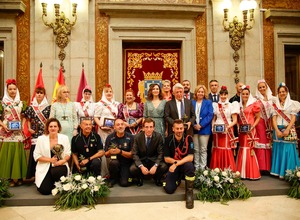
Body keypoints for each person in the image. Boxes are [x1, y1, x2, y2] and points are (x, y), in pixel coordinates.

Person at [0, 79, 27, 186]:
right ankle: (8, 178)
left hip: (17, 132)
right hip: (6, 131)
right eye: (10, 89)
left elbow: (25, 117)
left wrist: (22, 125)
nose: (12, 91)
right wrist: (3, 126)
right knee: (7, 153)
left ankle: (19, 177)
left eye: (14, 89)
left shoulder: (21, 103)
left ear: (17, 90)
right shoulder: (2, 103)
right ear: (7, 90)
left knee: (18, 153)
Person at [34, 118, 71, 195]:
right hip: (45, 166)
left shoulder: (64, 138)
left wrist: (63, 161)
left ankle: (57, 184)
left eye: (55, 126)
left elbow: (68, 153)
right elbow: (36, 156)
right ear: (47, 128)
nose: (53, 128)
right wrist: (50, 160)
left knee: (58, 172)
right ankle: (51, 183)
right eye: (51, 126)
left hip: (60, 165)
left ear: (58, 128)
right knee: (45, 191)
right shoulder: (41, 139)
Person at [163, 119, 195, 209]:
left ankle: (189, 193)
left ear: (184, 129)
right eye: (177, 128)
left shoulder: (189, 139)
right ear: (173, 129)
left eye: (181, 128)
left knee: (190, 165)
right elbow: (166, 158)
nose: (179, 131)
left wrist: (176, 164)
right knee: (168, 189)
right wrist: (175, 164)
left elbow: (190, 157)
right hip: (174, 168)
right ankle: (177, 180)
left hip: (183, 166)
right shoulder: (168, 140)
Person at [270, 82, 300, 178]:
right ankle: (278, 171)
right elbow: (273, 119)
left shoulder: (292, 104)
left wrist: (287, 129)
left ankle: (289, 173)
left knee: (288, 150)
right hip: (278, 129)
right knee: (279, 149)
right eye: (280, 92)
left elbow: (293, 118)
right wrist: (277, 131)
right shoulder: (275, 105)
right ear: (278, 94)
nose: (282, 93)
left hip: (288, 129)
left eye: (283, 91)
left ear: (287, 92)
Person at [130, 118, 168, 186]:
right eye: (146, 127)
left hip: (153, 160)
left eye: (151, 127)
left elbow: (161, 153)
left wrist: (156, 165)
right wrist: (141, 166)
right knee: (132, 169)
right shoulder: (137, 137)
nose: (149, 129)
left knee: (164, 166)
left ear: (154, 128)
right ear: (143, 128)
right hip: (142, 160)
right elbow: (134, 154)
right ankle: (140, 179)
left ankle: (157, 179)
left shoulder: (158, 136)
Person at [24, 87, 51, 180]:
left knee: (44, 153)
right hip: (35, 134)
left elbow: (50, 120)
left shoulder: (49, 107)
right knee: (35, 154)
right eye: (37, 93)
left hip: (45, 134)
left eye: (41, 93)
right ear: (35, 94)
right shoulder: (31, 108)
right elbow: (28, 119)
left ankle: (45, 174)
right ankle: (34, 175)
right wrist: (29, 128)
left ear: (44, 95)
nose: (39, 94)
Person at [210, 86, 239, 171]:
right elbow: (214, 118)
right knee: (217, 148)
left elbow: (235, 120)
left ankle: (226, 169)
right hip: (217, 130)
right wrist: (212, 126)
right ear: (219, 95)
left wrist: (228, 127)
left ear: (227, 95)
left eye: (225, 94)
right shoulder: (216, 105)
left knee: (226, 148)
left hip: (227, 129)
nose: (223, 96)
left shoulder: (232, 105)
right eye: (221, 94)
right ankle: (217, 169)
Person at [94, 84, 120, 176]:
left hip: (114, 130)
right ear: (103, 93)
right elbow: (96, 117)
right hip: (103, 130)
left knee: (113, 148)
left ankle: (113, 172)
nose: (109, 93)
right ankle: (104, 172)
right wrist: (101, 126)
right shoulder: (99, 104)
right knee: (105, 149)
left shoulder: (117, 104)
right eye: (106, 91)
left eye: (110, 91)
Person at [236, 85, 261, 180]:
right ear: (241, 95)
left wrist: (253, 127)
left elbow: (258, 118)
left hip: (250, 131)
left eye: (247, 94)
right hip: (242, 131)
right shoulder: (239, 105)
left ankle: (251, 173)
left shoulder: (254, 105)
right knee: (242, 148)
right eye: (243, 94)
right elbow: (237, 119)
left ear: (249, 95)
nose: (245, 95)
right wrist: (238, 126)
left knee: (249, 150)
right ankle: (242, 172)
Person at [105, 118, 134, 187]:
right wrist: (109, 151)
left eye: (122, 124)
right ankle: (113, 178)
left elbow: (132, 155)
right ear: (114, 127)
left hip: (126, 163)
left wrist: (120, 152)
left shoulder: (131, 137)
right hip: (115, 161)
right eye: (118, 125)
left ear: (125, 126)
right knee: (113, 162)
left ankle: (124, 177)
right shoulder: (110, 137)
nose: (120, 126)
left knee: (124, 183)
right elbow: (106, 154)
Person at [192, 85, 213, 170]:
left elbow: (210, 115)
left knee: (203, 149)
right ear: (196, 93)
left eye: (202, 92)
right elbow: (190, 114)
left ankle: (202, 168)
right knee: (196, 149)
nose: (200, 93)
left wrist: (201, 125)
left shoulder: (208, 102)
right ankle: (196, 168)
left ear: (204, 93)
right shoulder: (192, 102)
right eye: (199, 91)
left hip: (204, 129)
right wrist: (194, 125)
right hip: (194, 129)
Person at [255, 79, 273, 174]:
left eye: (263, 87)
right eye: (260, 87)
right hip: (260, 123)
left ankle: (268, 166)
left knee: (269, 143)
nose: (262, 89)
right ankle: (261, 166)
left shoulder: (272, 98)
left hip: (270, 122)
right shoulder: (256, 100)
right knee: (261, 143)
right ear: (258, 89)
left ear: (266, 87)